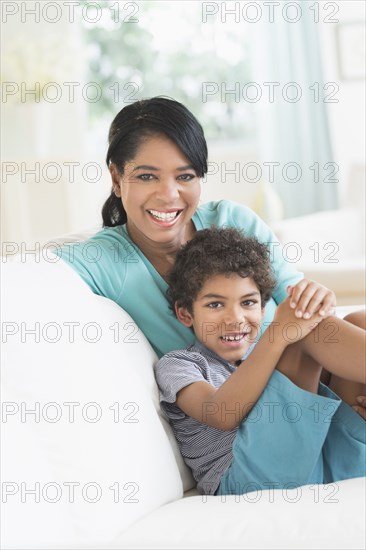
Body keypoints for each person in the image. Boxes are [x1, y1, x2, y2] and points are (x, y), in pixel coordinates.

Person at [54, 96, 366, 416]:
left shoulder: (232, 219)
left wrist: (315, 295)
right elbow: (29, 272)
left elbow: (302, 303)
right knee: (301, 332)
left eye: (185, 176)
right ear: (117, 179)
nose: (169, 195)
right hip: (254, 409)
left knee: (356, 319)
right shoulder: (102, 259)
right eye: (147, 176)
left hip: (313, 380)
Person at [154, 227, 366, 496]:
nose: (235, 318)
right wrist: (279, 334)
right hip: (249, 476)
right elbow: (222, 414)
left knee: (359, 320)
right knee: (305, 336)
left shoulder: (271, 351)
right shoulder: (180, 364)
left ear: (263, 309)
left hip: (323, 460)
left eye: (248, 302)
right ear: (185, 314)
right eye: (215, 305)